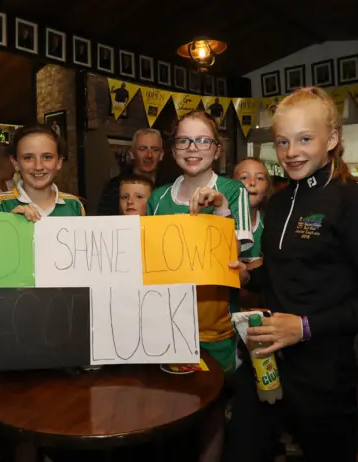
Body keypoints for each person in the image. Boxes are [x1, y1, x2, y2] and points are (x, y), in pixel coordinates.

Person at [224, 87, 358, 462]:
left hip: (325, 378)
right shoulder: (278, 204)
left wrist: (305, 326)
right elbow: (284, 273)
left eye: (305, 139)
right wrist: (249, 277)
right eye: (282, 142)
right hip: (265, 364)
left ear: (333, 139)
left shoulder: (356, 205)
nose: (292, 152)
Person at [147, 110, 253, 462]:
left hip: (215, 327)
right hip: (167, 329)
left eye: (203, 140)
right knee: (169, 413)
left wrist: (220, 209)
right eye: (183, 140)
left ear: (217, 149)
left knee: (211, 416)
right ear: (173, 148)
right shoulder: (158, 198)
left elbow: (241, 261)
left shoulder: (233, 191)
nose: (193, 148)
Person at [0, 124, 85, 220]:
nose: (38, 166)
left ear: (59, 162)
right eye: (28, 158)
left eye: (47, 157)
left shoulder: (74, 205)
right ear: (16, 163)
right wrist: (11, 223)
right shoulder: (0, 204)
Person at [98, 128, 163, 216]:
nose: (149, 155)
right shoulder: (114, 187)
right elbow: (104, 223)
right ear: (131, 154)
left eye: (155, 149)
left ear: (161, 155)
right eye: (142, 149)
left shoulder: (170, 187)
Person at [232, 158, 270, 309]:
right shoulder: (220, 222)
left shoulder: (272, 224)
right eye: (244, 177)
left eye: (260, 178)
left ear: (267, 188)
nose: (252, 183)